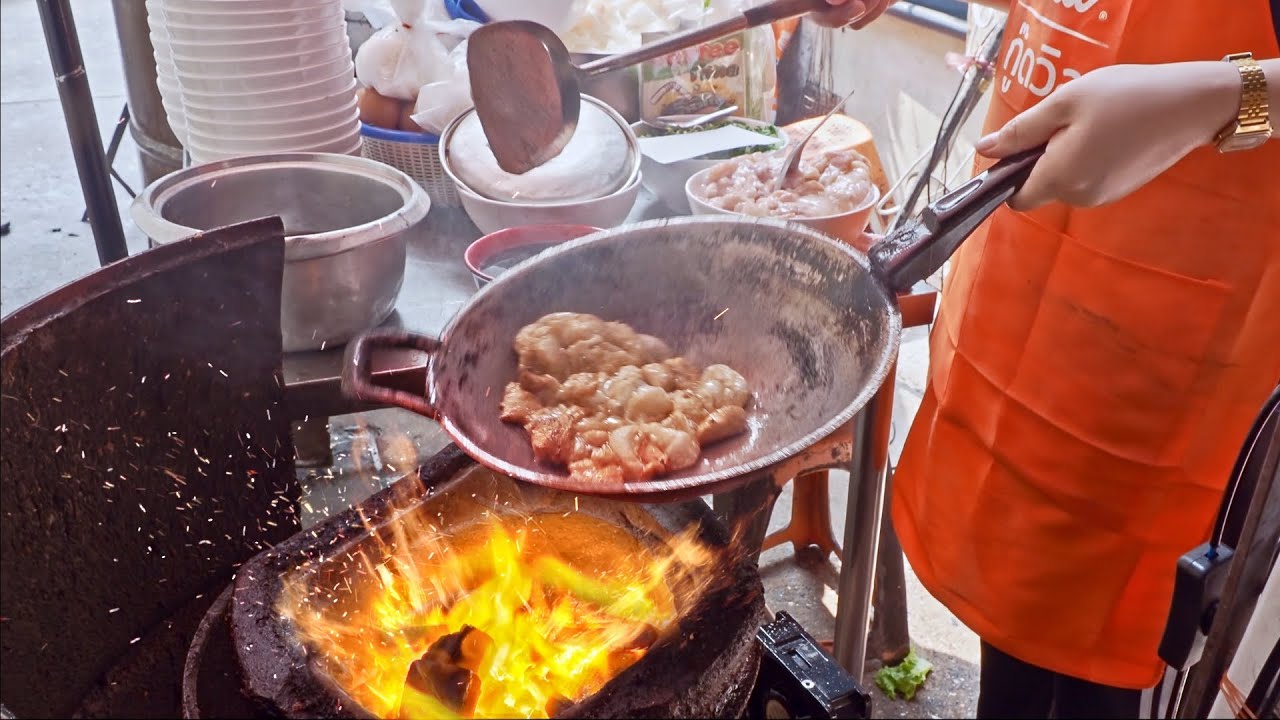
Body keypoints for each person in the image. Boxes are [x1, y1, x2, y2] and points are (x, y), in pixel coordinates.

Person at [810, 0, 1280, 717]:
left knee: (1107, 666)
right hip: (1013, 293)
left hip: (1176, 355)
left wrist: (1213, 99)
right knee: (1011, 622)